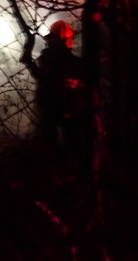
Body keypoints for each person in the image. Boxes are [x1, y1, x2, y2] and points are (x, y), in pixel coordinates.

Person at [28, 21, 91, 162]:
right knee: (69, 143)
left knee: (52, 142)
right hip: (66, 109)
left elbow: (45, 79)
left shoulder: (47, 59)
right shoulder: (74, 63)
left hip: (52, 109)